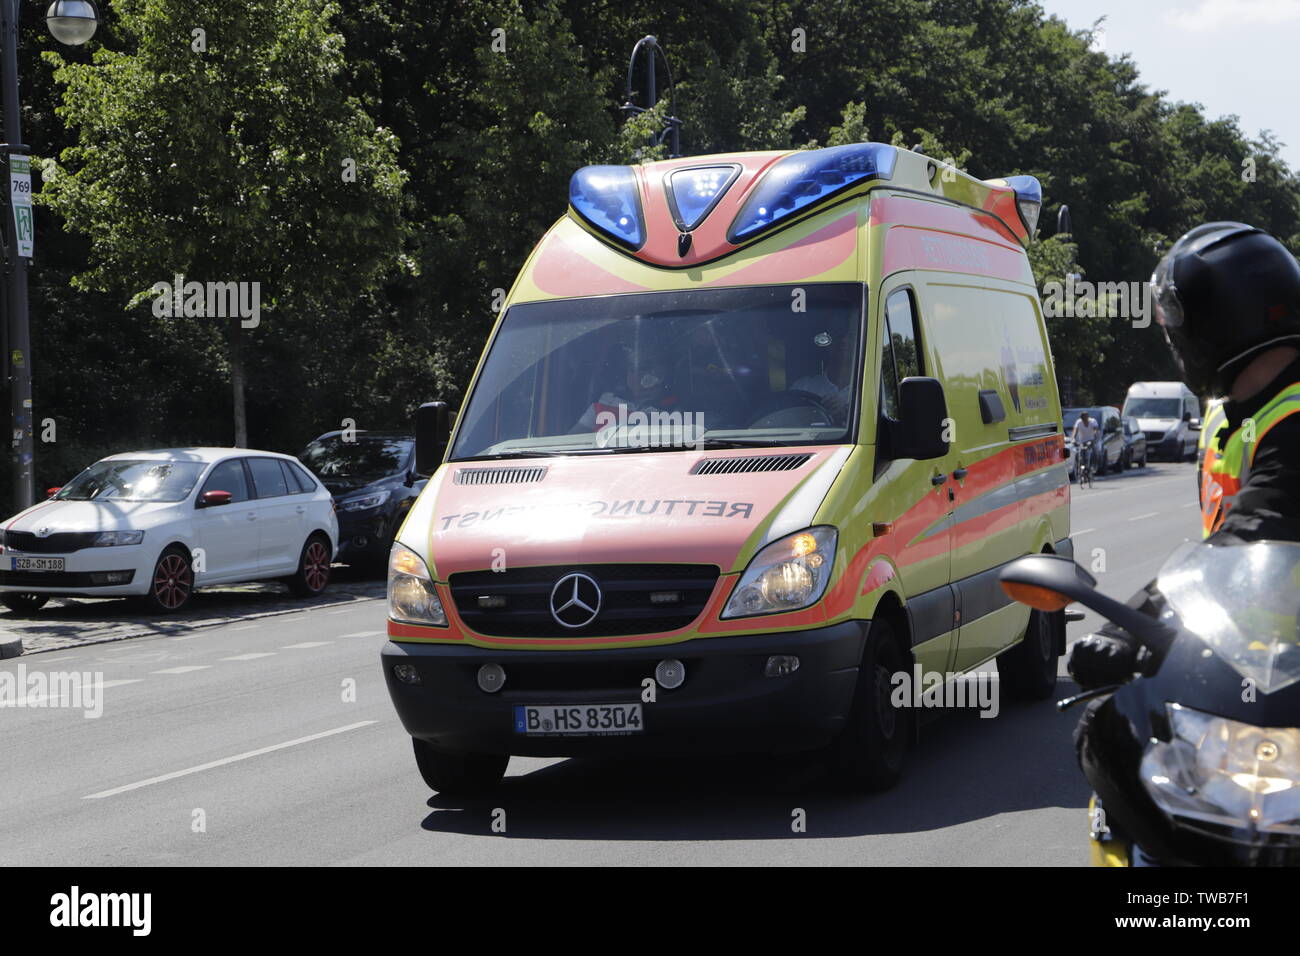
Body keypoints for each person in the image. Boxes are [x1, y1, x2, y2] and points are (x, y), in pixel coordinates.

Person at [1070, 221, 1300, 692]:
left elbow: (1254, 529)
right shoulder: (1224, 413)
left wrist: (1130, 622)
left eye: (1179, 324)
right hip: (1243, 657)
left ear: (1215, 326)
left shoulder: (1293, 420)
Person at [1070, 411, 1099, 477]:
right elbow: (1075, 431)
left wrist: (1095, 435)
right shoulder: (1079, 422)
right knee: (1081, 454)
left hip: (1091, 440)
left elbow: (1095, 429)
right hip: (1082, 441)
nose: (1084, 419)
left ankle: (1094, 466)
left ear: (1088, 417)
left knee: (1094, 452)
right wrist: (1073, 439)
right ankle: (1081, 468)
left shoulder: (1093, 421)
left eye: (1086, 417)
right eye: (1083, 418)